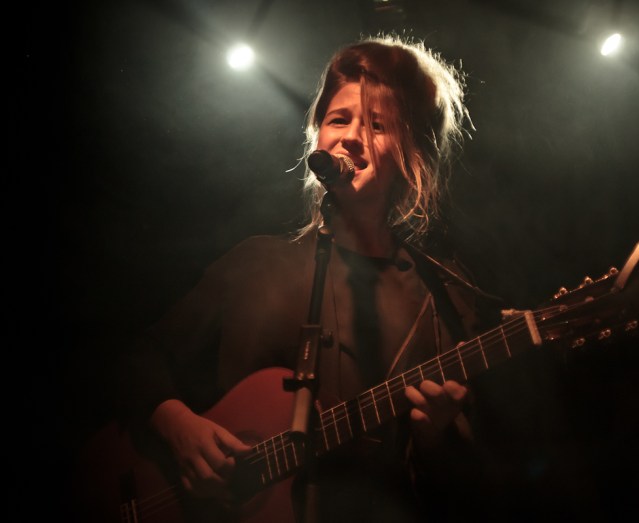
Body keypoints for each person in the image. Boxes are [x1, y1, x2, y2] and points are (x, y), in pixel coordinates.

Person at [106, 34, 506, 523]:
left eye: (377, 125)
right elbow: (138, 360)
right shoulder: (255, 263)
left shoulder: (443, 298)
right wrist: (178, 427)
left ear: (413, 154)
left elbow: (472, 492)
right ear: (317, 137)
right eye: (338, 119)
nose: (350, 137)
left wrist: (434, 438)